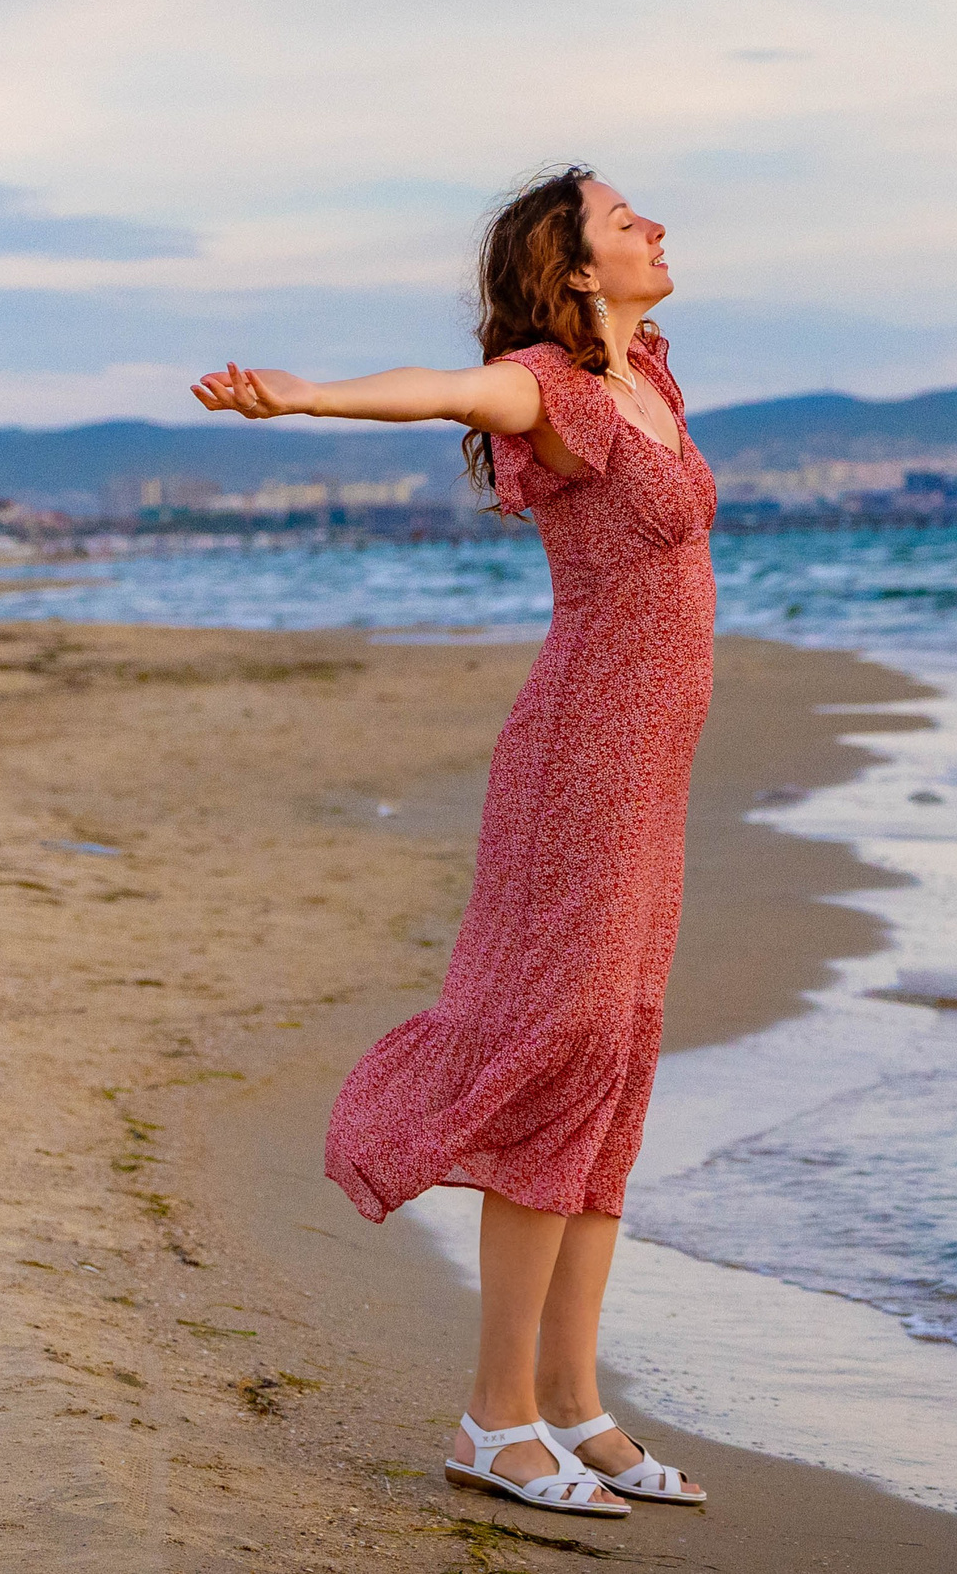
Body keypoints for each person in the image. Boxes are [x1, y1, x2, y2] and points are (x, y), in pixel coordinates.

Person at [191, 166, 712, 1519]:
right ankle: (497, 1419)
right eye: (623, 220)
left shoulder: (655, 374)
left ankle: (579, 1405)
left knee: (615, 1061)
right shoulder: (551, 383)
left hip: (653, 778)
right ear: (575, 270)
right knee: (556, 1058)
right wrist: (303, 397)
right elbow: (440, 386)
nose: (654, 225)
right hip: (579, 768)